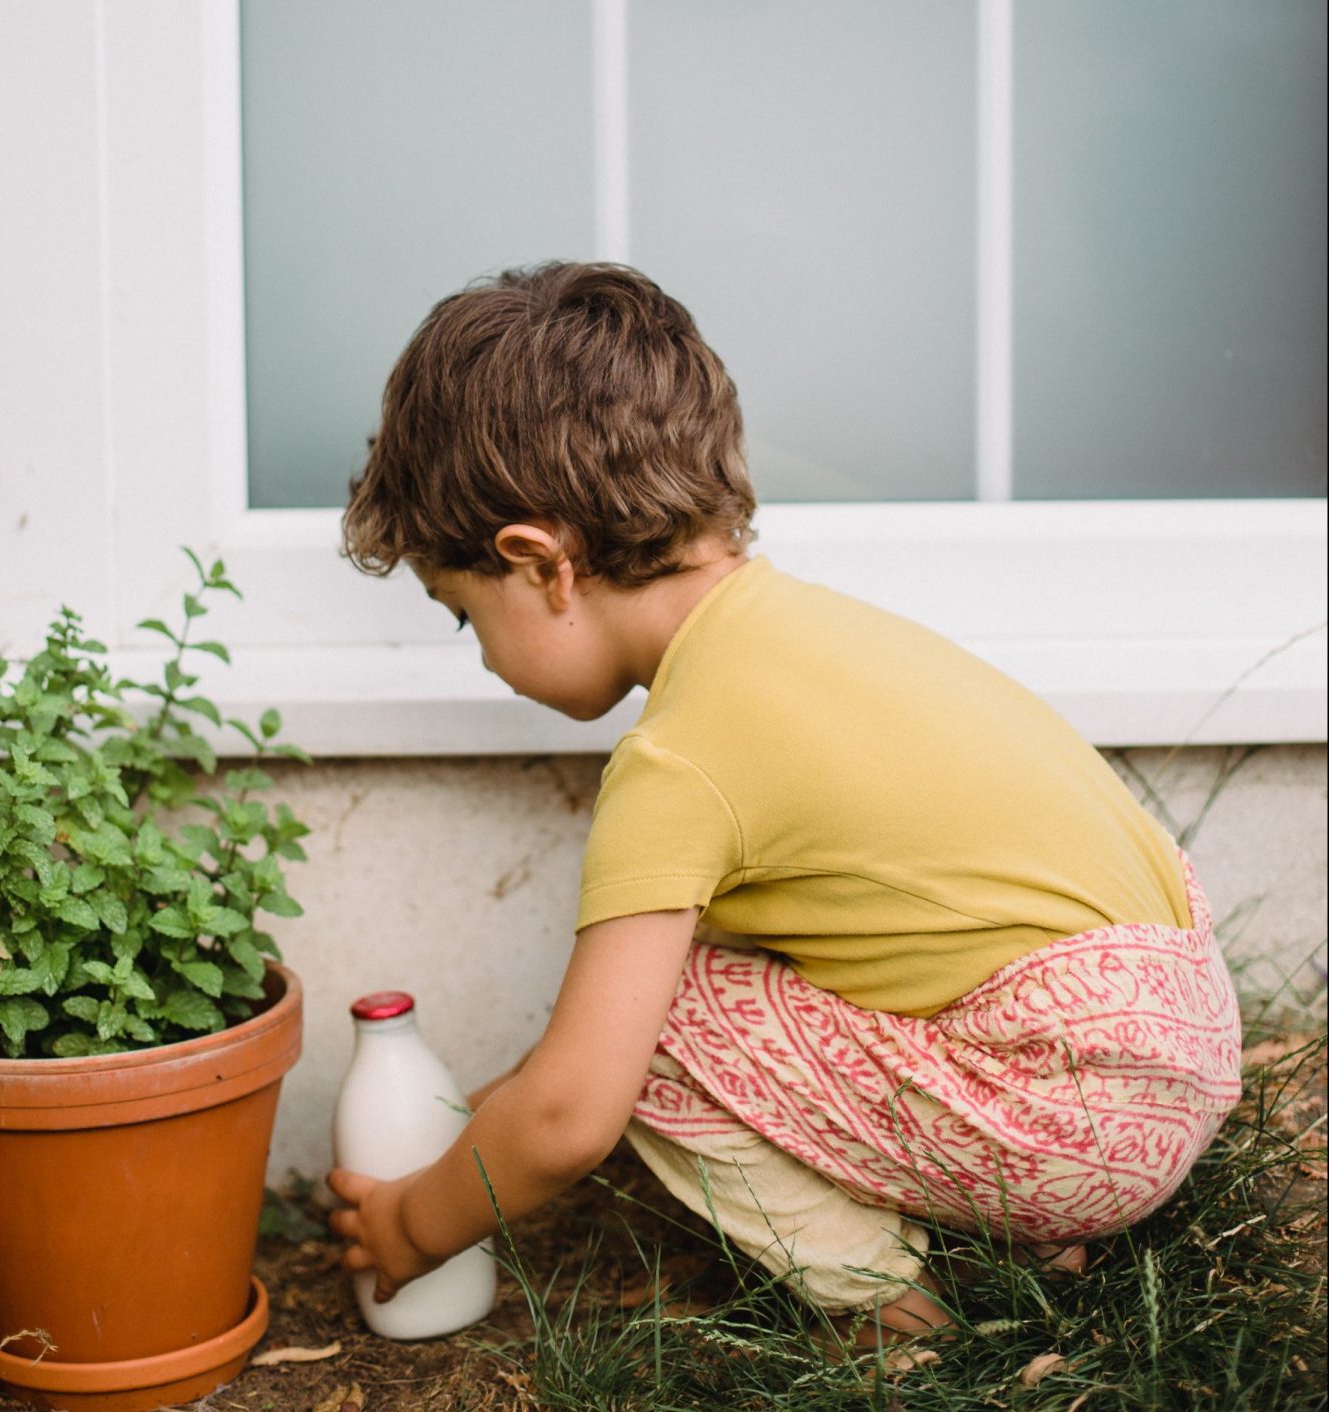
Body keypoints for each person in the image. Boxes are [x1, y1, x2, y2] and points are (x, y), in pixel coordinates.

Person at [326, 261, 1242, 1342]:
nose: (482, 655)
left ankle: (899, 1303)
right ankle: (1014, 1225)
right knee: (695, 988)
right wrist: (471, 1126)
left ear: (543, 565)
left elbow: (574, 1109)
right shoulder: (814, 637)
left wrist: (415, 1226)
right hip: (1173, 1051)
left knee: (662, 1022)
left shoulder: (679, 760)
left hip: (1078, 1111)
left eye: (462, 612)